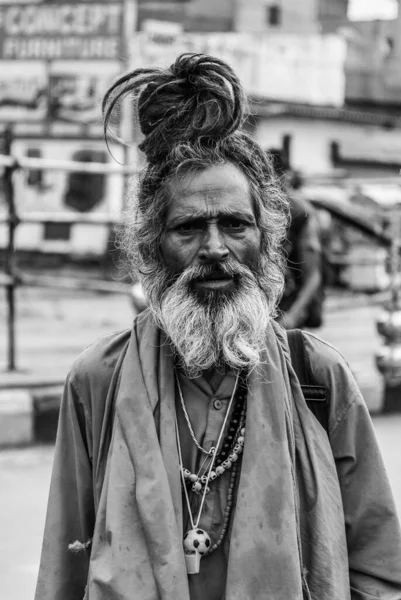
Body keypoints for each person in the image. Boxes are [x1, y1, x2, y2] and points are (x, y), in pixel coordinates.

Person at [35, 53, 401, 600]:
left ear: (265, 240)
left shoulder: (319, 377)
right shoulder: (97, 380)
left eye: (234, 224)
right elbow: (65, 564)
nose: (214, 249)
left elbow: (379, 566)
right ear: (152, 247)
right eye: (188, 227)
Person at [269, 149, 324, 330]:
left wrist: (294, 314)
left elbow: (313, 275)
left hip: (288, 311)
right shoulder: (254, 208)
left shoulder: (299, 213)